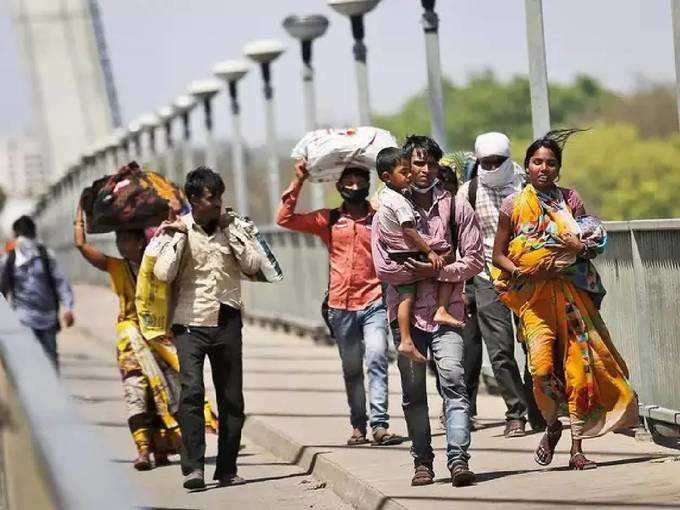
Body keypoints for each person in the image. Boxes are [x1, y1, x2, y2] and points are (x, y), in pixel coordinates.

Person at [492, 129, 638, 470]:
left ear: (559, 168)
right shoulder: (513, 205)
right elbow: (498, 255)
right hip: (534, 302)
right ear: (526, 167)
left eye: (551, 163)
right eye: (537, 162)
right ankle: (553, 425)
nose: (544, 168)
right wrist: (523, 272)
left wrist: (578, 248)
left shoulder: (570, 201)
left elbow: (589, 245)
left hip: (572, 296)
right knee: (542, 369)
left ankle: (577, 448)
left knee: (579, 368)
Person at [372, 135, 484, 487]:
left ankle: (458, 458)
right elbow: (383, 268)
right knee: (413, 393)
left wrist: (436, 271)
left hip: (446, 311)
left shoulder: (456, 207)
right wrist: (425, 266)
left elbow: (474, 260)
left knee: (454, 381)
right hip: (405, 316)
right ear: (404, 167)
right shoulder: (388, 208)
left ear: (438, 167)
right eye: (417, 164)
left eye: (430, 164)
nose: (423, 170)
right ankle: (422, 461)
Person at [73, 205, 218, 471]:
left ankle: (161, 449)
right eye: (118, 239)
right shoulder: (115, 267)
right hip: (130, 342)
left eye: (125, 239)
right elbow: (81, 246)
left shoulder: (159, 265)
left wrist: (174, 216)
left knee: (166, 392)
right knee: (135, 392)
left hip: (161, 341)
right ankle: (142, 450)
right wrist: (81, 214)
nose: (120, 244)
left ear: (141, 240)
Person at [277, 160, 402, 447]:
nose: (355, 187)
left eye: (360, 182)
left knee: (377, 357)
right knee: (352, 369)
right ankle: (358, 425)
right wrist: (298, 181)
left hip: (374, 302)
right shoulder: (329, 220)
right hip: (340, 306)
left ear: (368, 185)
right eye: (349, 183)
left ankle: (380, 424)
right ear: (339, 187)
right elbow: (285, 218)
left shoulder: (380, 218)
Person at [153, 167, 261, 489]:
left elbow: (254, 265)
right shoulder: (178, 229)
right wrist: (178, 238)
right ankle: (194, 468)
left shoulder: (235, 226)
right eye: (210, 199)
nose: (216, 205)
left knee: (231, 398)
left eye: (219, 198)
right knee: (192, 393)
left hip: (227, 320)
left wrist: (233, 233)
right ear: (194, 201)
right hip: (190, 324)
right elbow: (163, 273)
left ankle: (227, 468)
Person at [456, 132, 534, 437]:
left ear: (507, 159)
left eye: (496, 162)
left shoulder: (525, 186)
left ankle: (540, 407)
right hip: (489, 280)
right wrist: (464, 286)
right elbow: (461, 241)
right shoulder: (468, 192)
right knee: (500, 351)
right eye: (484, 162)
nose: (490, 167)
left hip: (528, 279)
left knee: (534, 346)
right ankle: (516, 411)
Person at [374, 147, 462, 364]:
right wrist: (431, 252)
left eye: (431, 165)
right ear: (387, 176)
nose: (411, 175)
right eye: (406, 172)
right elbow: (409, 230)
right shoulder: (400, 201)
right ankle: (441, 308)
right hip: (409, 255)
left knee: (406, 297)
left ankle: (405, 340)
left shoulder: (385, 196)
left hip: (397, 257)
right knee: (448, 259)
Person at [0, 215, 74, 368]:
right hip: (22, 318)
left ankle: (51, 391)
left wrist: (68, 308)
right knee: (25, 362)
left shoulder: (47, 256)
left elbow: (61, 282)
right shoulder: (10, 259)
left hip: (47, 319)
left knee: (50, 361)